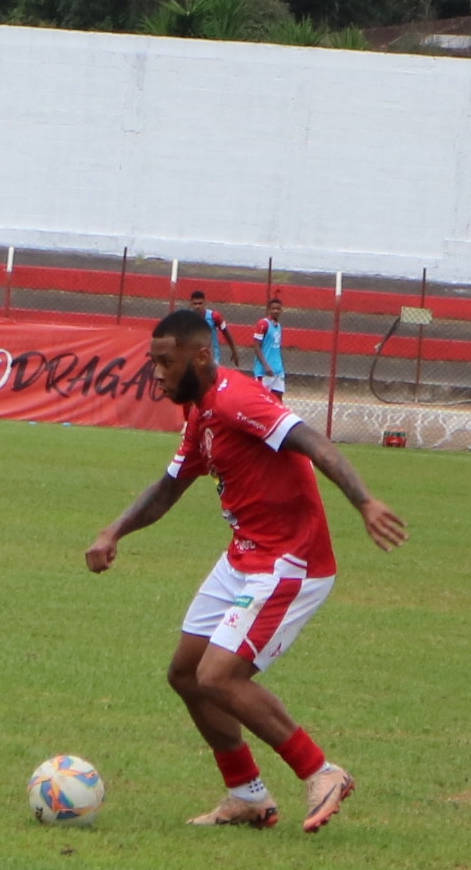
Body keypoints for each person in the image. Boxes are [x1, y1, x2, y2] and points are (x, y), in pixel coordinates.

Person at [85, 310, 406, 833]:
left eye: (166, 363)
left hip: (290, 561)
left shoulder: (238, 400)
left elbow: (313, 442)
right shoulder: (200, 414)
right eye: (153, 363)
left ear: (201, 357)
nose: (157, 374)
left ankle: (321, 772)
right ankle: (247, 795)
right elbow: (168, 488)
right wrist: (113, 531)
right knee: (186, 674)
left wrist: (364, 501)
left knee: (219, 676)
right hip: (243, 557)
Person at [187, 290, 240, 368]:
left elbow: (226, 332)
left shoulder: (214, 316)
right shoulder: (187, 318)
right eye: (195, 304)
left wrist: (234, 350)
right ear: (191, 303)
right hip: (193, 356)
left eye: (200, 303)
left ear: (205, 303)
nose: (197, 306)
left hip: (212, 357)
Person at [252, 296, 285, 396]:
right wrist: (266, 366)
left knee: (278, 398)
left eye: (278, 309)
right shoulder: (263, 324)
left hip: (277, 370)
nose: (276, 311)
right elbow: (256, 346)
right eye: (273, 308)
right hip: (264, 371)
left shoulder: (278, 326)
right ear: (269, 310)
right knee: (261, 399)